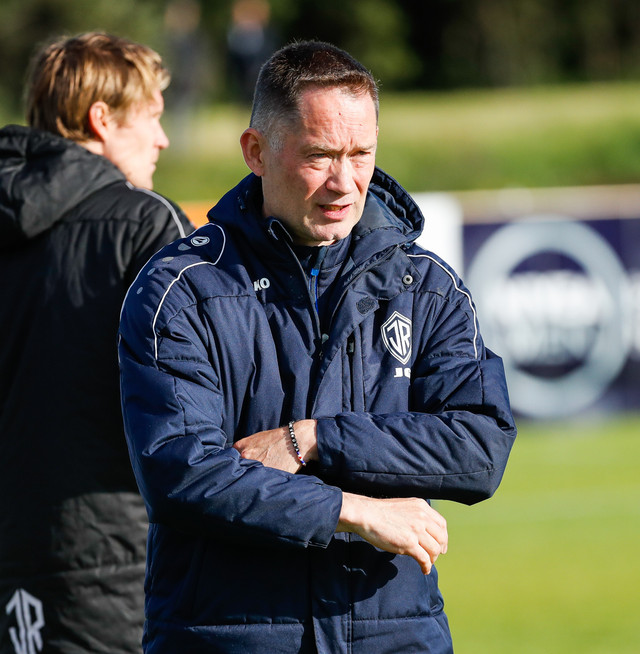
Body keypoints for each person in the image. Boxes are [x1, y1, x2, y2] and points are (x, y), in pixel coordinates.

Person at [118, 41, 516, 653]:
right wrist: (352, 510)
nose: (344, 183)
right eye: (319, 156)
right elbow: (181, 471)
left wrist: (316, 439)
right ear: (256, 152)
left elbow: (479, 446)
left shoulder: (425, 286)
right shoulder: (183, 290)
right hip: (228, 638)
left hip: (396, 636)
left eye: (361, 155)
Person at [0, 32, 193, 654]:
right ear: (101, 119)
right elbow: (198, 411)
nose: (162, 139)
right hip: (119, 557)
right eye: (152, 117)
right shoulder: (146, 223)